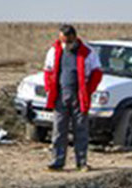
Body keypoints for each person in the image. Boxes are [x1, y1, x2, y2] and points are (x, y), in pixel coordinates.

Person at [43, 25, 102, 172]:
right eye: (62, 40)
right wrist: (49, 88)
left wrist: (88, 91)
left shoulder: (87, 52)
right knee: (59, 130)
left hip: (79, 97)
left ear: (74, 38)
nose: (65, 44)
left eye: (68, 41)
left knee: (81, 130)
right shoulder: (54, 51)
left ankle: (81, 163)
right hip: (60, 96)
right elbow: (48, 71)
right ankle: (57, 162)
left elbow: (97, 73)